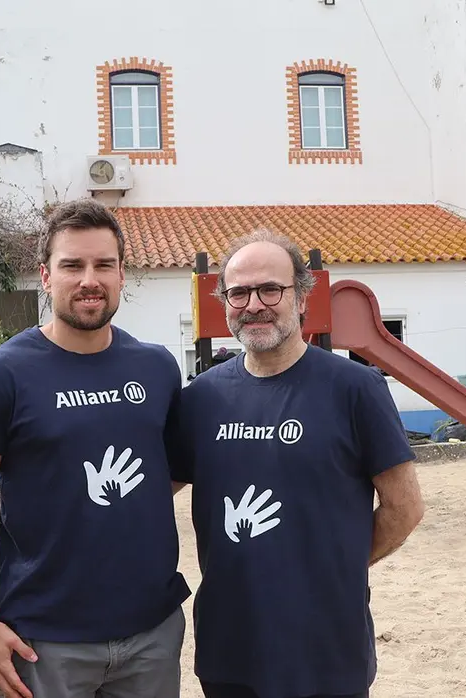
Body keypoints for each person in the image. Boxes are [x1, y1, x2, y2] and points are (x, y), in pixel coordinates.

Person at [0, 198, 191, 698]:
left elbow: (171, 470)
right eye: (72, 265)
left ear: (122, 275)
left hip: (152, 632)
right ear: (46, 276)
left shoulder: (157, 368)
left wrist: (114, 502)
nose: (89, 279)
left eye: (104, 265)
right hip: (45, 640)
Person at [170, 230, 426, 698]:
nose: (254, 305)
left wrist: (334, 564)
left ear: (302, 296)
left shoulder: (356, 389)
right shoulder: (200, 400)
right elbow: (149, 493)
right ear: (224, 302)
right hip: (230, 643)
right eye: (239, 292)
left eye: (271, 289)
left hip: (326, 644)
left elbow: (405, 508)